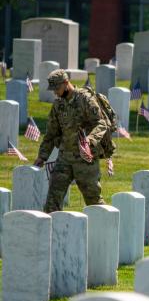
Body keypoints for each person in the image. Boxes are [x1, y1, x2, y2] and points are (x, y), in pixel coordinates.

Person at [34, 69, 108, 213]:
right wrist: (42, 156)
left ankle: (105, 231)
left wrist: (89, 140)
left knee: (93, 200)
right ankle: (51, 233)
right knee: (52, 199)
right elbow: (51, 133)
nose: (55, 92)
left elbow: (101, 123)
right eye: (53, 89)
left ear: (66, 83)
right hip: (64, 158)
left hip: (85, 159)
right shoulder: (58, 105)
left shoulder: (85, 99)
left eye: (57, 88)